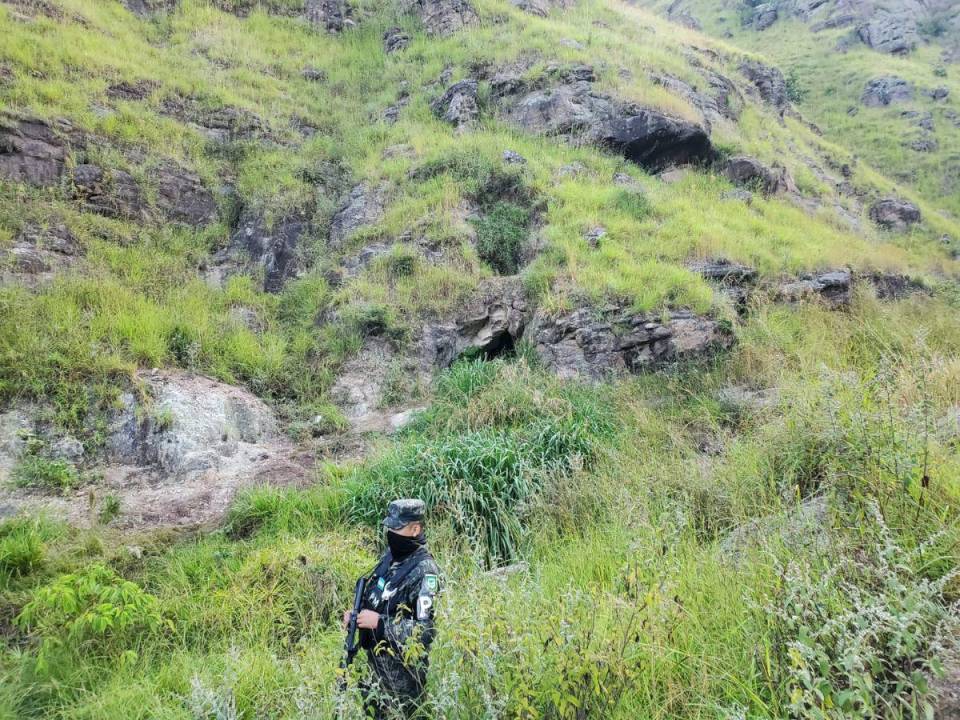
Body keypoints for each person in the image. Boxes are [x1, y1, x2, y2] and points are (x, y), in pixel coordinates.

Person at [343, 499, 441, 719]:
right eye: (390, 527)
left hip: (403, 683)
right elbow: (377, 597)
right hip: (374, 672)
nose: (391, 533)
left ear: (415, 529)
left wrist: (380, 624)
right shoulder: (389, 558)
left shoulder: (426, 572)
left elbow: (426, 631)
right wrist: (356, 616)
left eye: (397, 528)